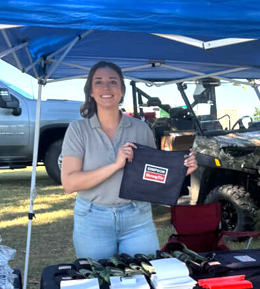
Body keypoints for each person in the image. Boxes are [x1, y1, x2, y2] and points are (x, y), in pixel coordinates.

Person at [61, 61, 197, 259]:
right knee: (100, 280)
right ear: (90, 91)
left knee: (144, 276)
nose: (106, 88)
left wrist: (179, 172)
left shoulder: (140, 129)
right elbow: (69, 183)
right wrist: (116, 165)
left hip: (137, 217)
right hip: (92, 218)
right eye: (98, 82)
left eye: (113, 82)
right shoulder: (78, 129)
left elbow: (151, 179)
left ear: (122, 91)